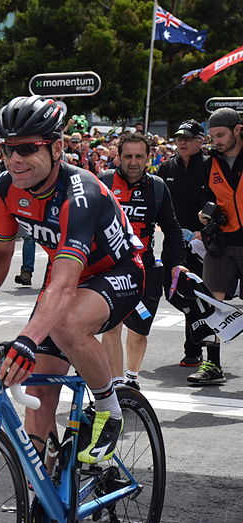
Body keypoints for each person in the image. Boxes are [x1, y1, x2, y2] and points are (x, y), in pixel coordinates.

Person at [0, 96, 144, 465]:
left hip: (115, 272)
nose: (13, 159)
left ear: (57, 148)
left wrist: (27, 338)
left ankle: (109, 408)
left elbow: (67, 284)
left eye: (27, 148)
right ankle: (44, 489)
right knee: (36, 402)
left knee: (68, 324)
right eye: (6, 149)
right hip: (63, 279)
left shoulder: (80, 192)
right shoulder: (6, 188)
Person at [99, 132, 187, 390]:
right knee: (111, 326)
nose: (133, 162)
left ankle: (131, 379)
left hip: (146, 268)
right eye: (128, 156)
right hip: (110, 268)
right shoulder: (103, 182)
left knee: (139, 328)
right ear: (118, 157)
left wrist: (178, 263)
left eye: (139, 156)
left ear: (148, 158)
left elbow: (171, 228)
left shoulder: (158, 187)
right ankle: (116, 384)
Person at [192, 107, 243, 385]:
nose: (216, 141)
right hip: (221, 242)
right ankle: (211, 364)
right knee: (212, 303)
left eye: (221, 135)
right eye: (212, 136)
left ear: (238, 129)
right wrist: (204, 213)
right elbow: (205, 196)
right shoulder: (208, 162)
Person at [157, 119, 209, 367]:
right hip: (174, 241)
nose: (182, 142)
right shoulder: (166, 168)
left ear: (201, 141)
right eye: (179, 138)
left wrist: (205, 231)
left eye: (187, 138)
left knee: (195, 292)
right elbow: (154, 202)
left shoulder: (211, 166)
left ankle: (194, 350)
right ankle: (200, 323)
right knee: (172, 292)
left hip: (205, 243)